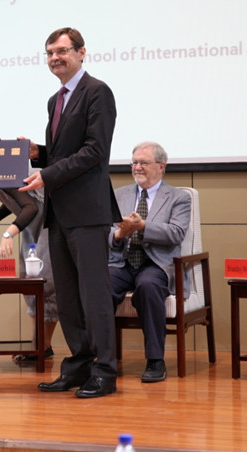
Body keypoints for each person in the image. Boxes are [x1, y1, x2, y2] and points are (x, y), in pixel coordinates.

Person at [21, 27, 121, 398]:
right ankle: (79, 366)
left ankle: (105, 371)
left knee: (94, 296)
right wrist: (40, 154)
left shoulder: (97, 92)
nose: (55, 58)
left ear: (81, 53)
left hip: (88, 213)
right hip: (59, 213)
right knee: (66, 298)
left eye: (62, 51)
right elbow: (66, 154)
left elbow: (95, 151)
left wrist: (46, 174)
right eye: (49, 53)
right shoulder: (56, 100)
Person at [109, 141, 191, 383]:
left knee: (148, 286)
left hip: (156, 264)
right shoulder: (119, 194)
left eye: (143, 163)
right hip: (122, 262)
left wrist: (143, 226)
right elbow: (105, 231)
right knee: (100, 285)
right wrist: (118, 234)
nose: (137, 168)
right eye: (134, 163)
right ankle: (102, 357)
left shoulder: (178, 197)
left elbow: (176, 233)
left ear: (161, 166)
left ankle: (155, 360)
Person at [0, 186, 59, 361]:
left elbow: (30, 207)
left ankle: (44, 345)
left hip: (48, 226)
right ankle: (36, 343)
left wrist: (8, 234)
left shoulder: (7, 175)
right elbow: (14, 202)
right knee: (29, 284)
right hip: (29, 227)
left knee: (47, 283)